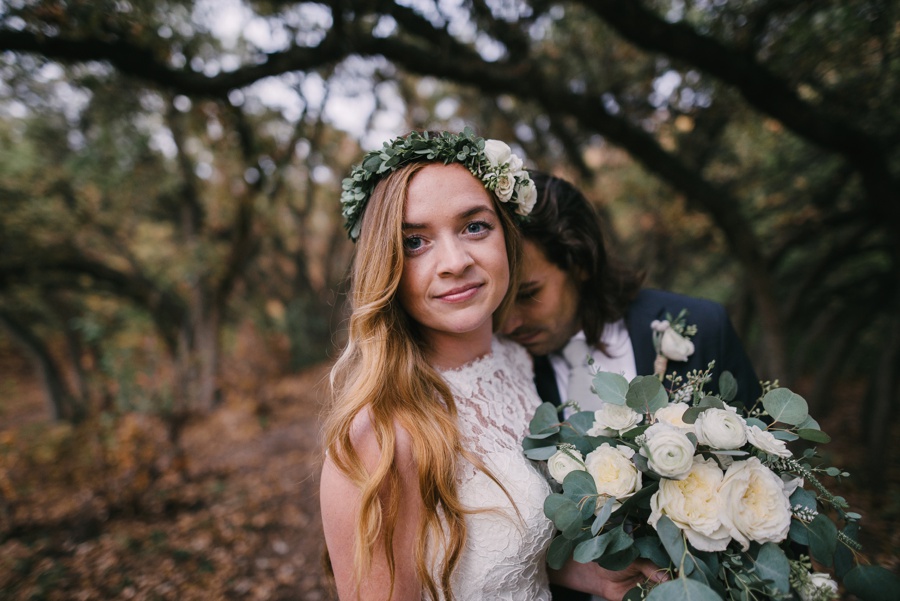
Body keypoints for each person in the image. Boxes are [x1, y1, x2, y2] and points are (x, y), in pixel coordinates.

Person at [320, 131, 665, 601]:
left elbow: (510, 559)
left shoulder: (516, 360)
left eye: (474, 227)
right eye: (416, 241)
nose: (455, 262)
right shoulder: (380, 435)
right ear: (388, 267)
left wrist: (595, 576)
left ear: (508, 236)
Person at [501, 172, 762, 601]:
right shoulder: (504, 370)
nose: (510, 323)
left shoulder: (703, 328)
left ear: (579, 262)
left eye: (528, 294)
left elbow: (762, 478)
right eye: (500, 304)